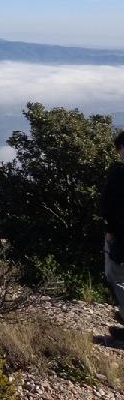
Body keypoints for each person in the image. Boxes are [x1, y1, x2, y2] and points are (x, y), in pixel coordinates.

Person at [103, 131, 124, 337]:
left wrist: (110, 231)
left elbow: (108, 204)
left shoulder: (118, 173)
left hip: (119, 235)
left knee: (116, 275)